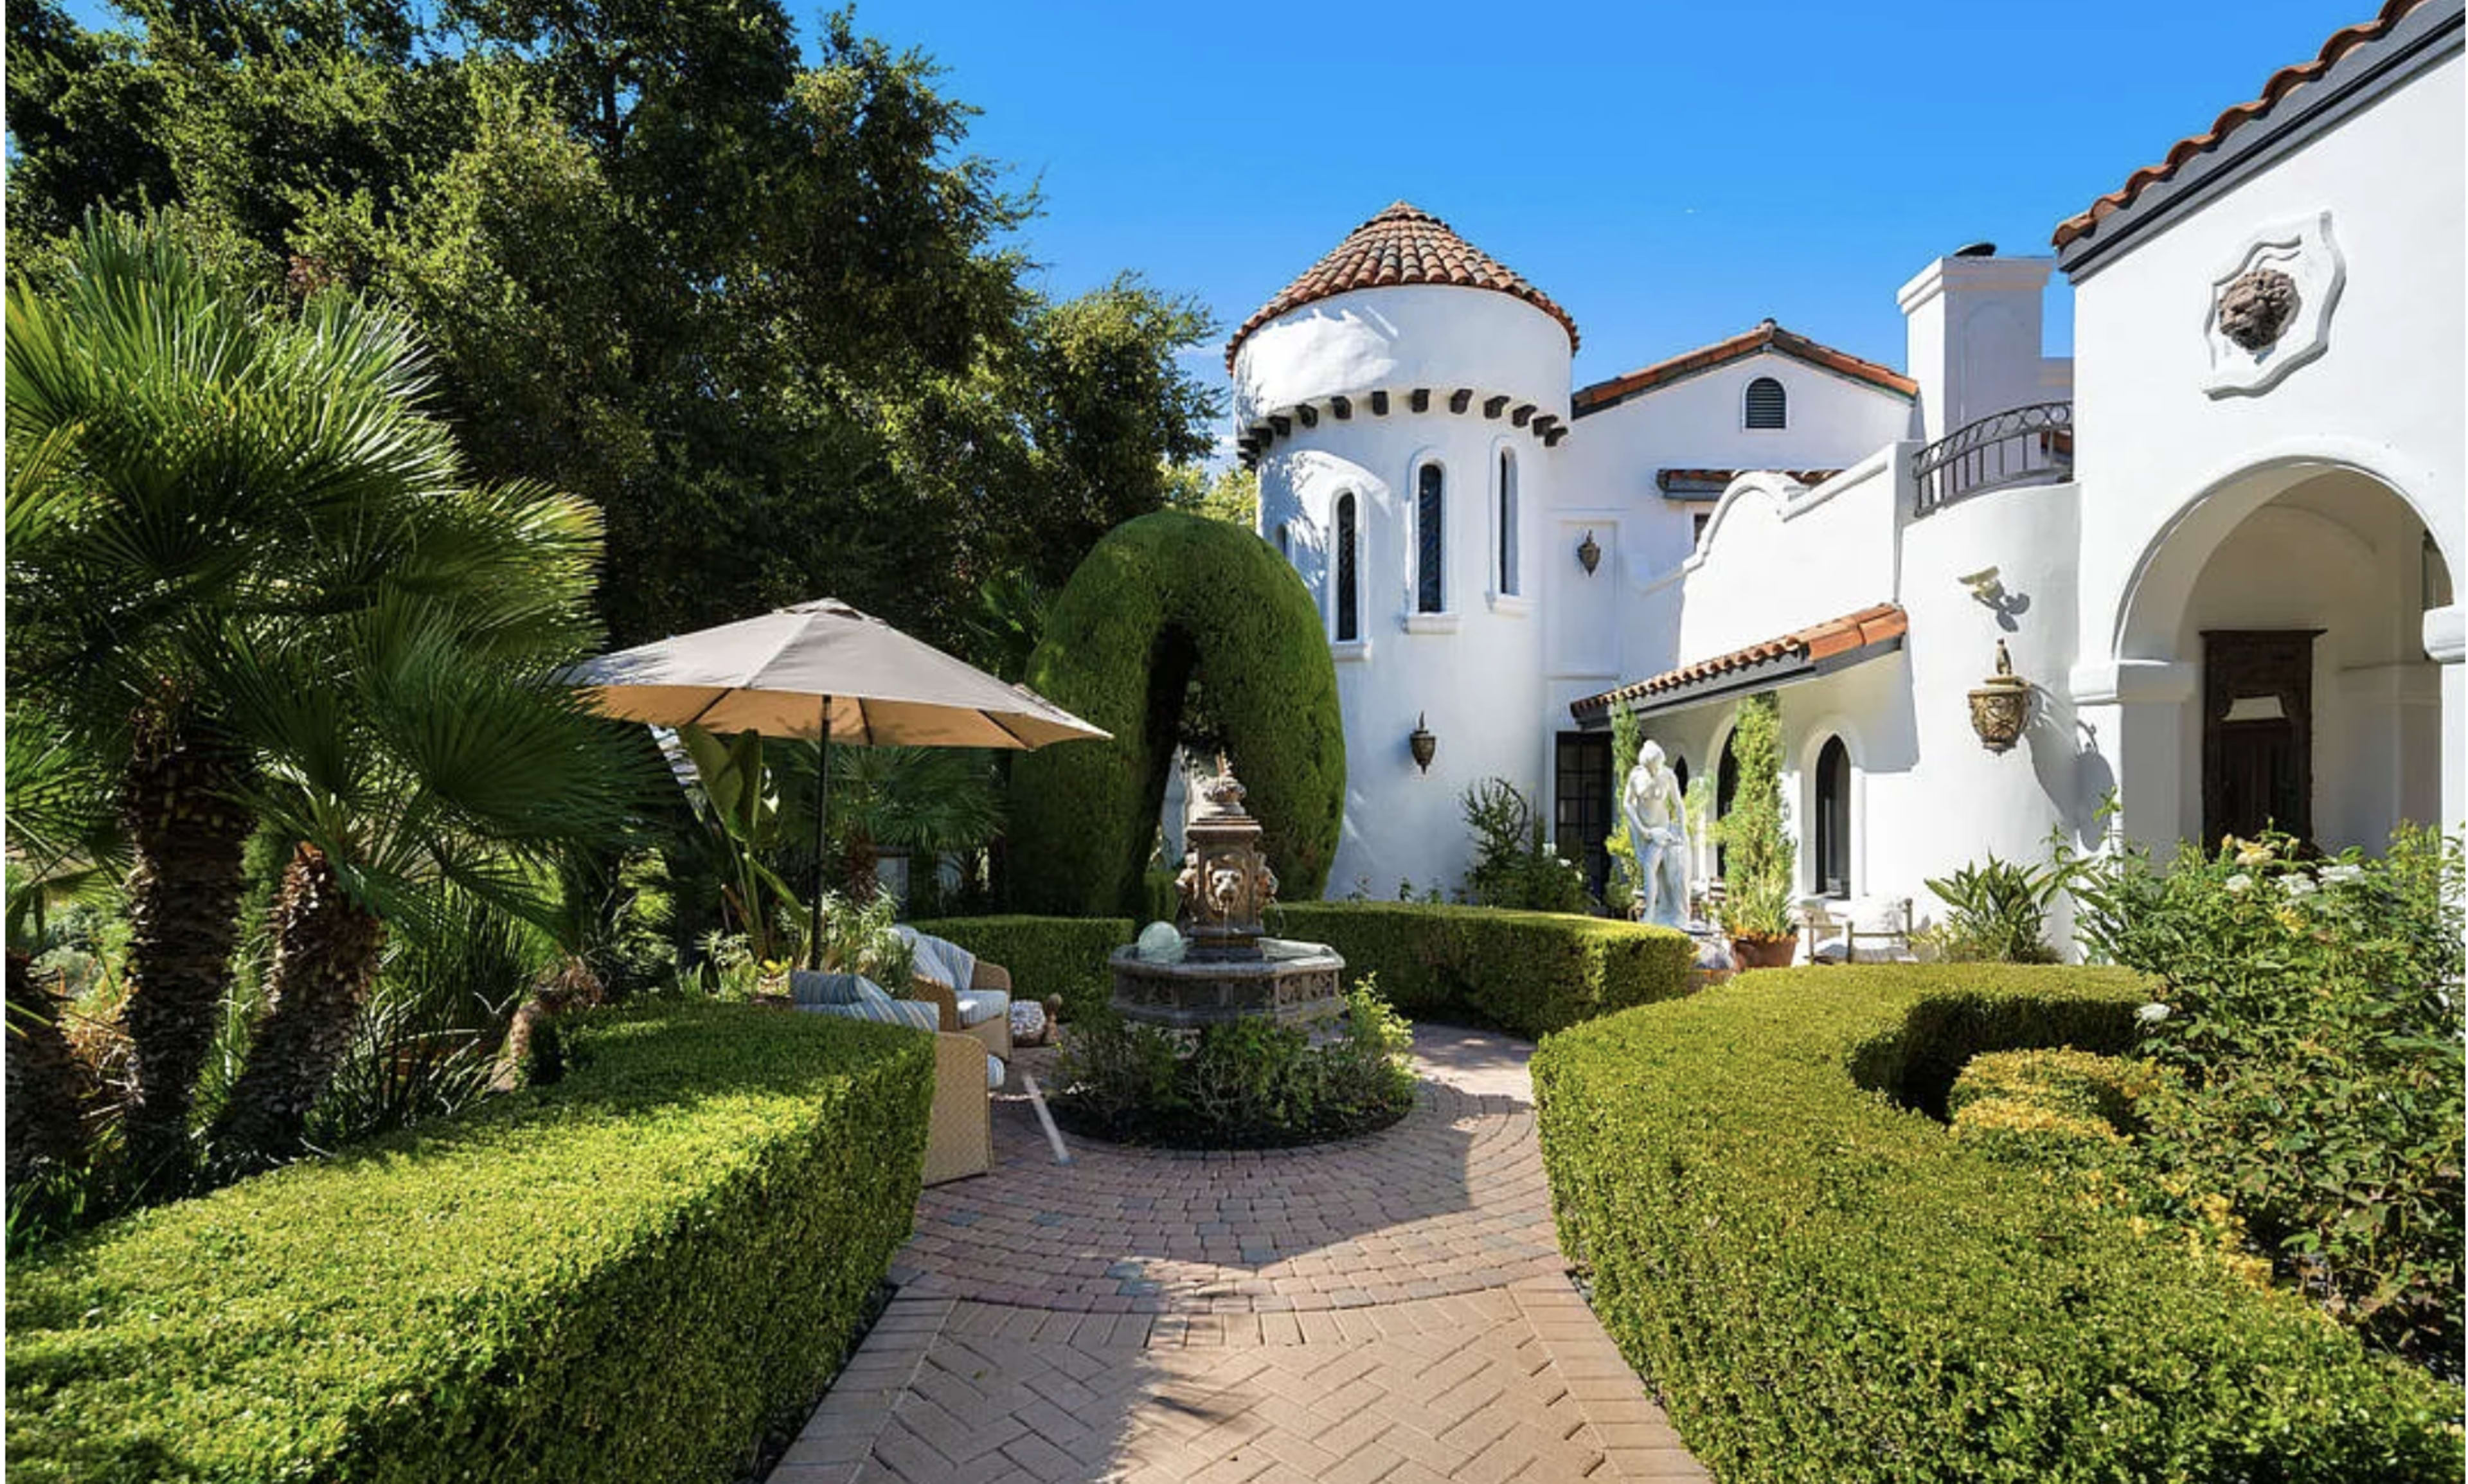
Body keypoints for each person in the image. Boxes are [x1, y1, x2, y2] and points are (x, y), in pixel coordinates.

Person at [1621, 740, 1691, 929]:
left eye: (1658, 766)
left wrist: (1683, 829)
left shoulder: (1668, 776)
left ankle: (1655, 912)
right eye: (1652, 767)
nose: (1656, 770)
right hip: (1643, 832)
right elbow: (1627, 804)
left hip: (1662, 830)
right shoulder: (1636, 776)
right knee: (1653, 870)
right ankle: (1654, 911)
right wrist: (1642, 830)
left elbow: (1678, 804)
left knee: (1656, 868)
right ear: (1645, 765)